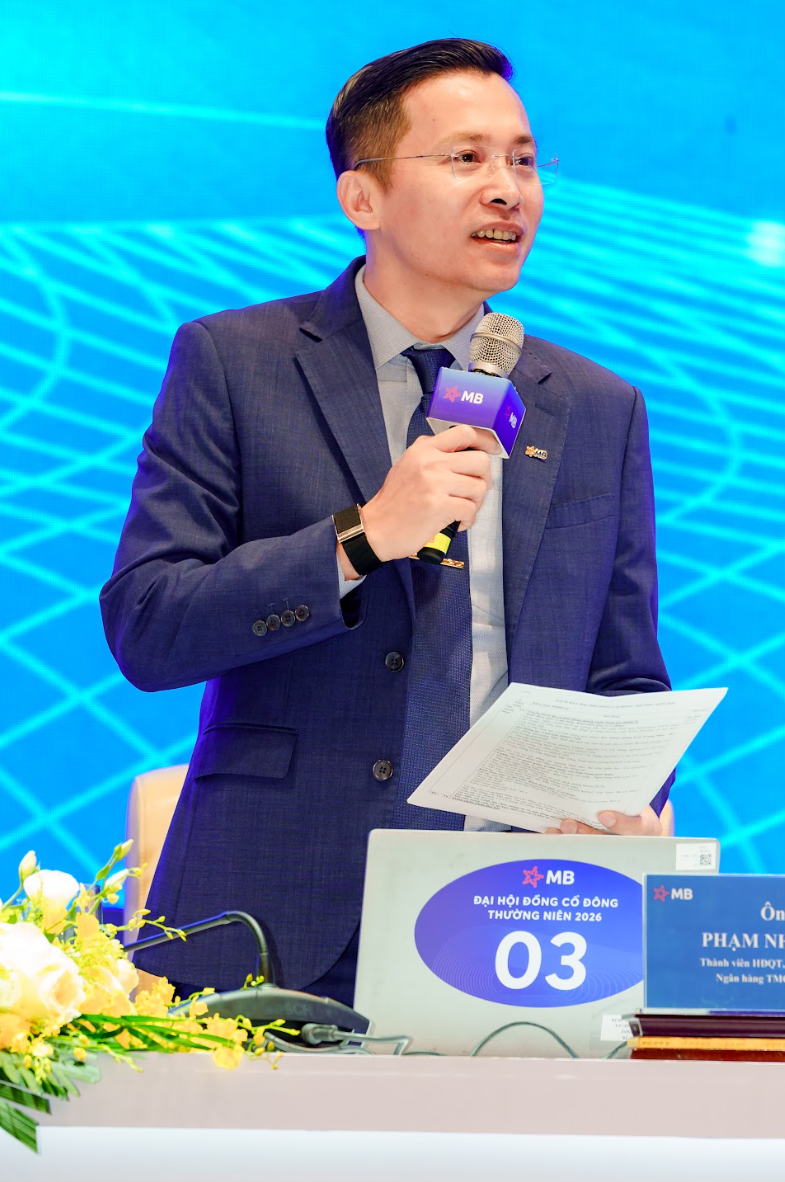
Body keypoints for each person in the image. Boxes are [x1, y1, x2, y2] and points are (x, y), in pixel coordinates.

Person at [101, 38, 672, 1005]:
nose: (507, 190)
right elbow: (149, 626)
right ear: (361, 196)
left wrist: (633, 795)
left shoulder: (594, 405)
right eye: (465, 158)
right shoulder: (235, 363)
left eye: (523, 161)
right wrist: (360, 539)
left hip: (517, 926)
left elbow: (621, 675)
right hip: (271, 917)